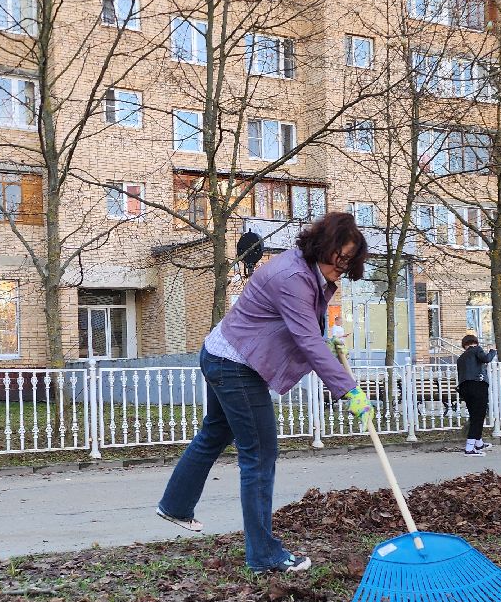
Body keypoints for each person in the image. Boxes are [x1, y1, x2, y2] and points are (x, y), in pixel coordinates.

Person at [155, 212, 374, 575]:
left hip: (222, 353)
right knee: (259, 454)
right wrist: (348, 390)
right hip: (235, 364)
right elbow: (304, 339)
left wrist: (326, 338)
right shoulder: (293, 277)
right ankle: (264, 555)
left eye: (350, 258)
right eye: (341, 256)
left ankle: (176, 505)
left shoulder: (304, 270)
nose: (344, 265)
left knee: (215, 433)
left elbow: (303, 326)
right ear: (325, 246)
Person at [455, 334, 496, 456]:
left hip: (464, 388)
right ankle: (469, 448)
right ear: (475, 343)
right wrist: (493, 351)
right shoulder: (476, 350)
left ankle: (479, 444)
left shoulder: (461, 358)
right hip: (478, 385)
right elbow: (486, 359)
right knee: (478, 417)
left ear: (464, 345)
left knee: (475, 415)